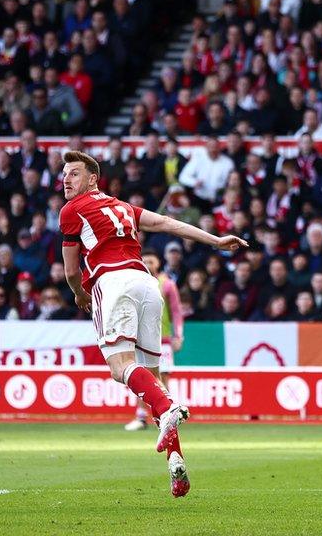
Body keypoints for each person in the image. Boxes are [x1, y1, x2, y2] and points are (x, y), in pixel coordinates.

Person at [59, 151, 247, 498]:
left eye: (73, 174)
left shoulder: (71, 211)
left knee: (121, 368)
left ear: (92, 179)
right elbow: (166, 223)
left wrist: (79, 294)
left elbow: (72, 271)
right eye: (64, 174)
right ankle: (176, 459)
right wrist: (216, 241)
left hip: (112, 283)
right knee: (154, 381)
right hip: (147, 284)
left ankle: (168, 409)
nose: (66, 180)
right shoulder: (123, 207)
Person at [125, 251, 184, 432]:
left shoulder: (166, 284)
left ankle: (167, 414)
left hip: (162, 340)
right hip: (140, 339)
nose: (148, 264)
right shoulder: (136, 284)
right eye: (145, 261)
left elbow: (176, 312)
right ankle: (141, 417)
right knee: (141, 377)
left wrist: (178, 335)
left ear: (158, 262)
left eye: (151, 261)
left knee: (162, 378)